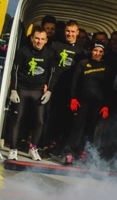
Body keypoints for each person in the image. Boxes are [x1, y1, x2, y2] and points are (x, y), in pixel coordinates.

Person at [7, 26, 55, 161]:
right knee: (17, 118)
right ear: (32, 38)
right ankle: (13, 149)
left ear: (46, 40)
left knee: (39, 121)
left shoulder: (49, 53)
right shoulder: (23, 51)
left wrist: (49, 90)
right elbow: (14, 70)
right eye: (37, 39)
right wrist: (14, 90)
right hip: (22, 89)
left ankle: (33, 148)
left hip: (38, 90)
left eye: (42, 39)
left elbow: (52, 73)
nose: (39, 42)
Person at [45, 20, 87, 154]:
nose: (70, 34)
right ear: (64, 31)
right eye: (68, 31)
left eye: (73, 31)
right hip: (54, 86)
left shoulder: (82, 51)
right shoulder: (56, 45)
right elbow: (47, 65)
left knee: (67, 119)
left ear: (77, 32)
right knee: (50, 116)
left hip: (70, 90)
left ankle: (61, 145)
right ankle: (46, 144)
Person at [64, 43, 111, 163]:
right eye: (95, 50)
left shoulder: (106, 66)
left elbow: (108, 87)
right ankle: (69, 152)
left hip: (97, 103)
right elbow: (74, 81)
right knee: (77, 127)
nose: (97, 53)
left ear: (103, 53)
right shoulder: (83, 63)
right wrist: (73, 98)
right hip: (82, 101)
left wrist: (106, 105)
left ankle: (83, 152)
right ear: (92, 51)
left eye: (100, 52)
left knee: (90, 128)